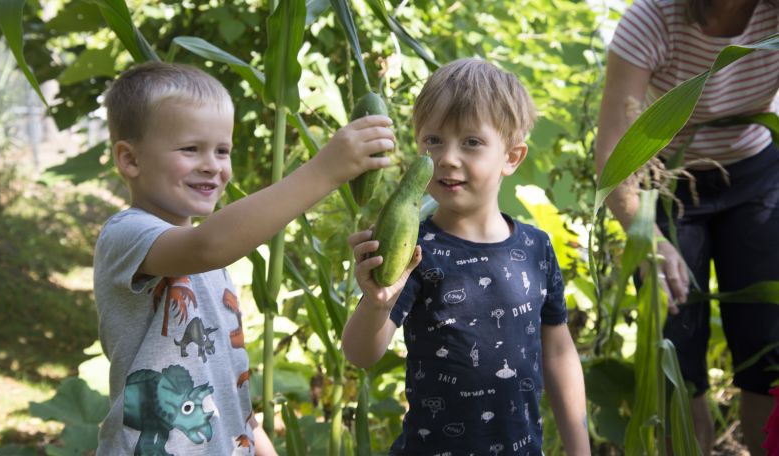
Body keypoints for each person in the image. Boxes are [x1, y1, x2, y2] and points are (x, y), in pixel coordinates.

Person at [93, 61, 395, 455]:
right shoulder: (127, 234)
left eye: (222, 150)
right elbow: (208, 244)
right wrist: (326, 170)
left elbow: (230, 391)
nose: (212, 165)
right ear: (130, 160)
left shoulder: (210, 264)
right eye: (190, 149)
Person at [342, 58, 590, 454]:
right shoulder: (415, 248)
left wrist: (580, 450)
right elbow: (360, 353)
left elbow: (559, 352)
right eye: (433, 140)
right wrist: (376, 303)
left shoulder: (536, 248)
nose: (447, 158)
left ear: (512, 157)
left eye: (471, 142)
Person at [595, 0, 779, 453]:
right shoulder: (653, 19)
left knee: (767, 349)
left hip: (755, 175)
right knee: (676, 354)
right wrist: (649, 240)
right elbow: (614, 156)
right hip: (668, 185)